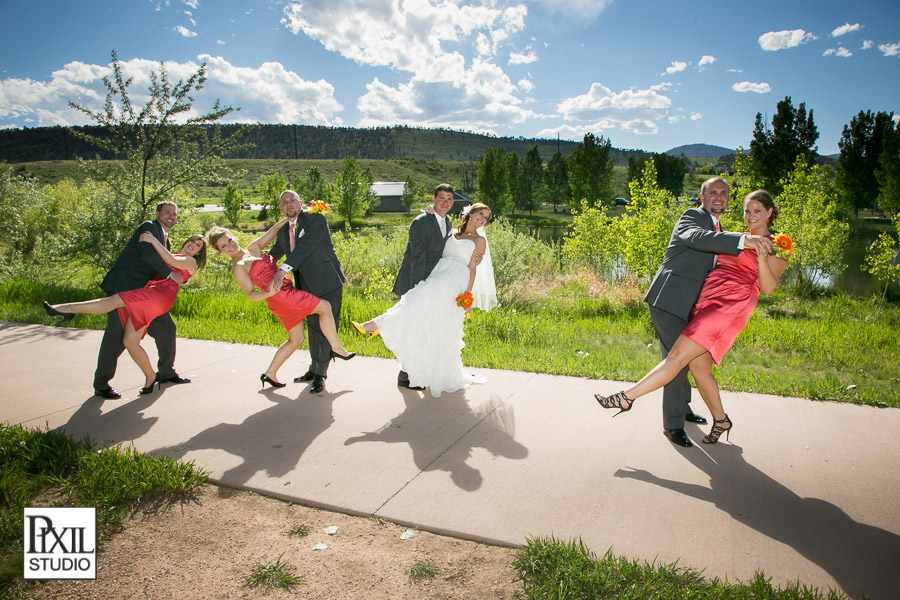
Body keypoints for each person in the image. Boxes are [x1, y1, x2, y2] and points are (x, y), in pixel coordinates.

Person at [596, 190, 788, 444]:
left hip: (727, 308)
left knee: (676, 357)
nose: (750, 216)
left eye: (757, 211)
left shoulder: (778, 247)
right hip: (706, 302)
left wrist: (762, 257)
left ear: (769, 213)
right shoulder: (735, 238)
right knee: (699, 368)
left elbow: (769, 287)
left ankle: (626, 397)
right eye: (747, 210)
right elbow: (702, 249)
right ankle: (721, 419)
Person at [352, 203, 492, 397]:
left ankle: (376, 325)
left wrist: (467, 296)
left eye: (486, 217)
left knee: (416, 298)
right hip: (439, 273)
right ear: (471, 213)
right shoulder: (450, 231)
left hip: (455, 278)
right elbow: (434, 234)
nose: (483, 219)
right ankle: (427, 373)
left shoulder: (479, 241)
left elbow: (473, 268)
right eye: (481, 214)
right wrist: (431, 214)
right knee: (431, 323)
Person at [44, 232, 206, 395]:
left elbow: (170, 260)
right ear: (186, 241)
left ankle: (66, 309)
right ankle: (151, 376)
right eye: (192, 240)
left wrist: (152, 240)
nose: (193, 244)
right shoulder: (173, 254)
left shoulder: (190, 261)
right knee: (130, 341)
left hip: (161, 295)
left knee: (116, 300)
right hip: (152, 292)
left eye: (198, 245)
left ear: (198, 253)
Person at [206, 220, 355, 389]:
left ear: (233, 237)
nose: (230, 246)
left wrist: (298, 215)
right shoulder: (238, 267)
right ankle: (336, 348)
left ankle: (270, 373)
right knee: (325, 307)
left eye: (229, 240)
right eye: (224, 246)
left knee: (296, 339)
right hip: (282, 296)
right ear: (220, 252)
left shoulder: (253, 248)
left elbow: (275, 229)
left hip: (280, 300)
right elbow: (251, 295)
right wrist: (270, 293)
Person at [74, 201, 194, 399]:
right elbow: (147, 255)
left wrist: (178, 277)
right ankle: (101, 384)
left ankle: (166, 372)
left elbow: (166, 262)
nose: (171, 216)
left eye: (174, 213)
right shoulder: (148, 228)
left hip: (146, 296)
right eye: (167, 212)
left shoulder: (165, 239)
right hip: (123, 288)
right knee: (116, 335)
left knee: (166, 328)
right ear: (157, 213)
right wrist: (170, 275)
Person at [267, 190, 345, 394]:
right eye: (284, 202)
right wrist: (251, 263)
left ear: (300, 203)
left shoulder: (315, 220)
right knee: (312, 327)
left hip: (327, 281)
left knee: (327, 327)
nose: (289, 204)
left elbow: (305, 247)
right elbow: (273, 254)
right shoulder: (284, 230)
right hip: (305, 285)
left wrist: (283, 269)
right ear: (281, 208)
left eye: (292, 200)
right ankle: (313, 368)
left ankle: (321, 375)